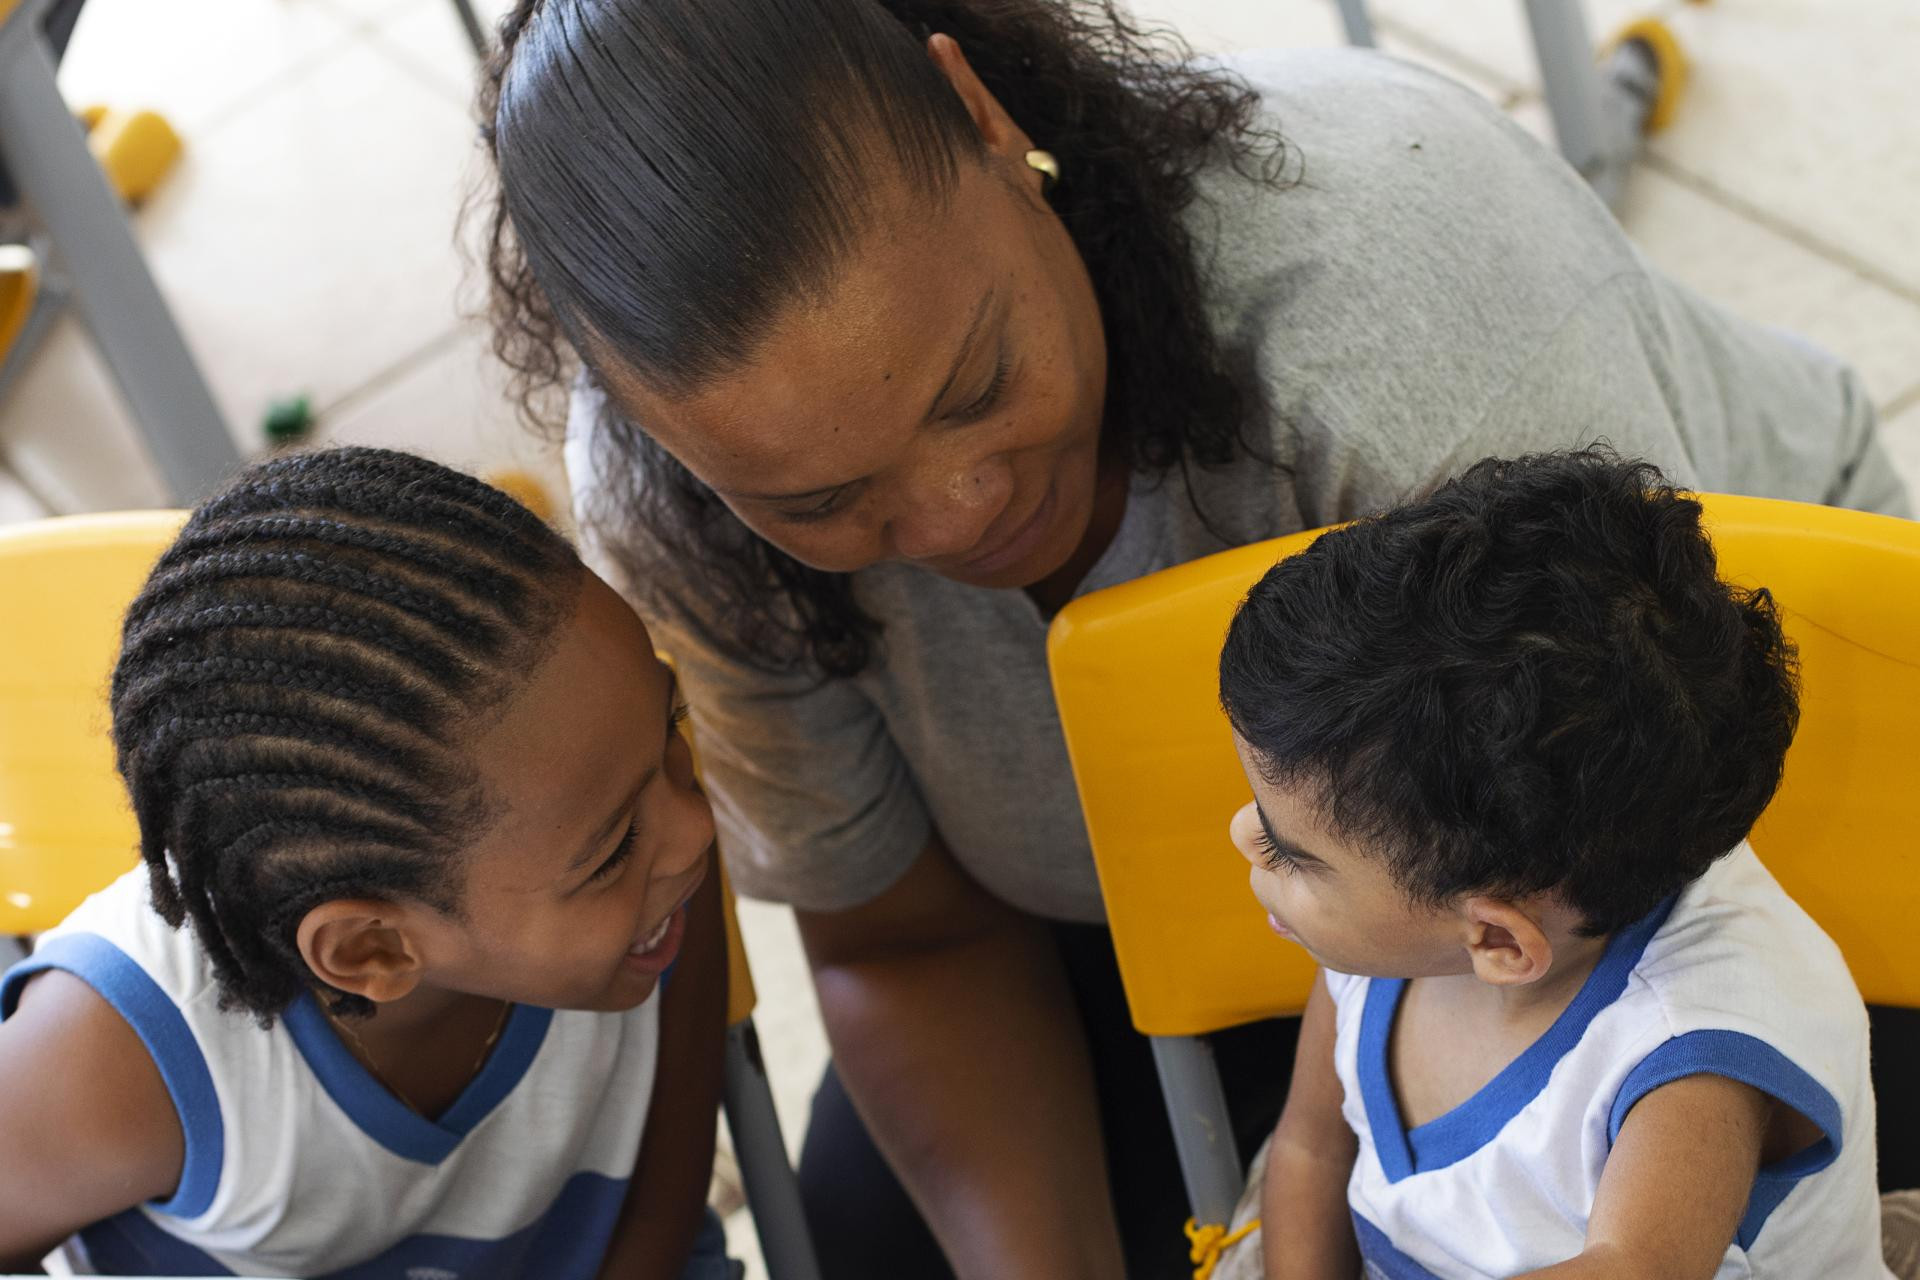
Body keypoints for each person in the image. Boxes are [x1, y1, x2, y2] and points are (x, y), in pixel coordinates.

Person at [477, 1, 1913, 1273]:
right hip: (1344, 912)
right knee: (877, 1232)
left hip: (1710, 843)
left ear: (989, 122)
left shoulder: (1388, 307)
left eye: (977, 381)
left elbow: (1609, 846)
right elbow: (904, 940)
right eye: (825, 499)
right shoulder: (678, 498)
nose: (964, 509)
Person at [0, 448, 736, 1280]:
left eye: (669, 727)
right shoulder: (117, 1057)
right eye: (612, 853)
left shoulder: (652, 896)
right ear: (371, 951)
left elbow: (666, 1187)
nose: (693, 830)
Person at [1220, 450, 1887, 1279]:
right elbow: (1312, 1151)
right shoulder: (1394, 929)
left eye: (1290, 850)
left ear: (1499, 943)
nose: (1243, 834)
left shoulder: (1688, 1055)